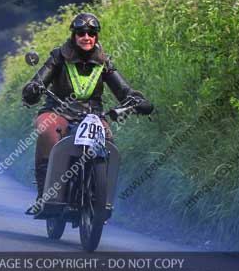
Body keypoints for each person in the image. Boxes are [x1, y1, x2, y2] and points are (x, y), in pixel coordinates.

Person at [21, 11, 153, 210]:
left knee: (108, 140)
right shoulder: (59, 56)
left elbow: (123, 89)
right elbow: (38, 82)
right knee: (47, 130)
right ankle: (45, 195)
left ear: (96, 36)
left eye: (91, 33)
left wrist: (137, 100)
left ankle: (101, 199)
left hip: (92, 116)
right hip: (58, 111)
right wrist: (33, 88)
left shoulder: (104, 61)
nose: (86, 37)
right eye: (81, 33)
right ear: (73, 35)